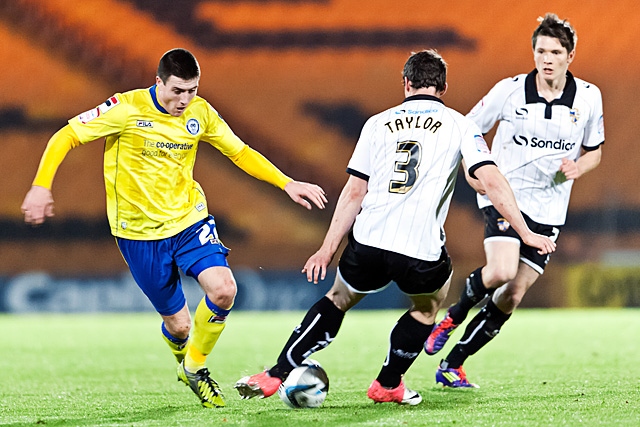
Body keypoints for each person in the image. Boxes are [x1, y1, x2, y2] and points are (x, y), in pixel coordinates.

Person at [234, 49, 555, 405]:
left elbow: (355, 191)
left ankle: (276, 372)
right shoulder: (459, 124)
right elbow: (492, 180)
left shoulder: (377, 123)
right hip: (419, 250)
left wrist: (327, 249)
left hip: (368, 239)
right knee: (427, 307)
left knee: (338, 299)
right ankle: (388, 384)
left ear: (405, 83)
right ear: (443, 87)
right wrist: (524, 233)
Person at [21, 48, 327, 408]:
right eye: (177, 91)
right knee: (180, 327)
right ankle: (185, 362)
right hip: (138, 233)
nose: (184, 100)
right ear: (158, 83)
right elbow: (65, 136)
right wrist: (41, 185)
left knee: (224, 289)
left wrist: (286, 183)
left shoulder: (201, 112)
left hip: (188, 220)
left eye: (192, 90)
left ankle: (196, 369)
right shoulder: (126, 108)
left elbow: (240, 152)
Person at [424, 13, 604, 388]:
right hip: (505, 198)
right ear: (534, 52)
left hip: (550, 208)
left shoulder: (588, 97)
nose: (547, 58)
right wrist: (474, 172)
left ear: (570, 56)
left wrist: (579, 167)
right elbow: (468, 129)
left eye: (555, 51)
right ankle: (452, 317)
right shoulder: (509, 90)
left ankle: (452, 364)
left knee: (511, 295)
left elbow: (595, 151)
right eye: (541, 50)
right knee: (502, 270)